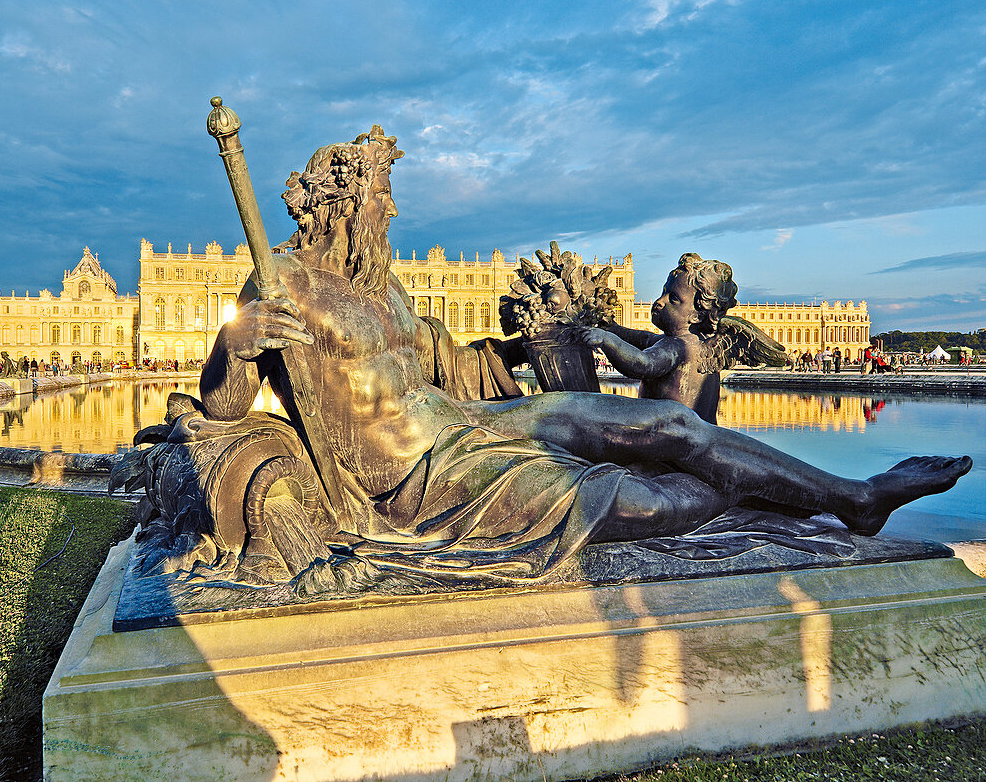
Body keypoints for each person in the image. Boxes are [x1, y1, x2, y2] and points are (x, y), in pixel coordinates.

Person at [198, 125, 970, 579]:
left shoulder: (383, 285)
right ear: (343, 201)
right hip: (421, 475)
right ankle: (761, 494)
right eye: (380, 195)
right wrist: (234, 346)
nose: (391, 209)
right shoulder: (283, 284)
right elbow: (223, 405)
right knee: (655, 497)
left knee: (675, 434)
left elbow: (454, 364)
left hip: (467, 421)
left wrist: (536, 336)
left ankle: (855, 496)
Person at [568, 254, 779, 424]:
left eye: (673, 299)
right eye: (663, 293)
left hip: (672, 435)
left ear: (697, 315)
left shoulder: (679, 346)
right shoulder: (693, 342)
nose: (659, 302)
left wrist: (607, 340)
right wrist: (612, 327)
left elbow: (642, 364)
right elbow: (642, 337)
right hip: (695, 431)